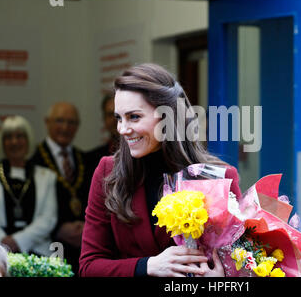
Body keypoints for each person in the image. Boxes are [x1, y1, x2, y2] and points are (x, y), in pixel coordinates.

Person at [79, 63, 241, 277]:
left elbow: (243, 263)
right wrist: (146, 266)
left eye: (134, 117)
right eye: (119, 118)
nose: (122, 129)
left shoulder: (219, 177)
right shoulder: (107, 171)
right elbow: (89, 267)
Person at [30, 102, 92, 274]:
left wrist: (87, 227)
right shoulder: (32, 160)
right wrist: (58, 229)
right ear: (47, 122)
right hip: (46, 249)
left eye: (71, 122)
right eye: (59, 121)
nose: (65, 127)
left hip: (83, 250)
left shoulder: (86, 159)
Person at [0, 116, 57, 257]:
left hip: (37, 252)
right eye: (8, 137)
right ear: (2, 142)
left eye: (20, 136)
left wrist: (18, 241)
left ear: (28, 140)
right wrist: (3, 242)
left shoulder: (47, 176)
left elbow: (48, 219)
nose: (14, 142)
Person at [86, 93, 119, 176]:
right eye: (110, 115)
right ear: (104, 119)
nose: (115, 119)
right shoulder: (91, 160)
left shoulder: (142, 154)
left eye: (118, 114)